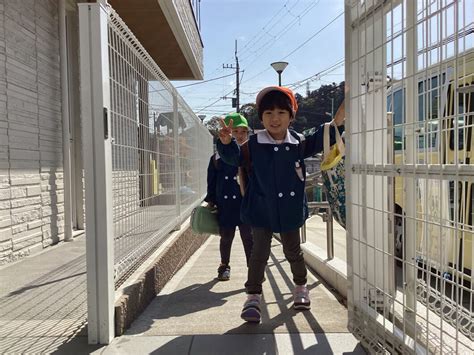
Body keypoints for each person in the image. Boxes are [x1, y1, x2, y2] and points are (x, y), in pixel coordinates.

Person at [217, 86, 345, 323]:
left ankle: (300, 288)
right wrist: (226, 143)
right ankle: (253, 296)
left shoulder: (298, 141)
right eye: (268, 113)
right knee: (259, 253)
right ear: (261, 116)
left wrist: (348, 100)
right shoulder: (252, 144)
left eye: (281, 113)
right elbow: (233, 157)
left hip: (289, 209)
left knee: (293, 252)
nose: (275, 119)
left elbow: (330, 130)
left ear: (291, 116)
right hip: (260, 210)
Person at [204, 112, 254, 281]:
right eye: (235, 131)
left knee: (249, 237)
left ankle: (253, 269)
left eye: (243, 132)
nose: (239, 136)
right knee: (226, 236)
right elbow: (211, 180)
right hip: (225, 204)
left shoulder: (251, 154)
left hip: (246, 203)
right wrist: (211, 199)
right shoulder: (217, 158)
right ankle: (224, 265)